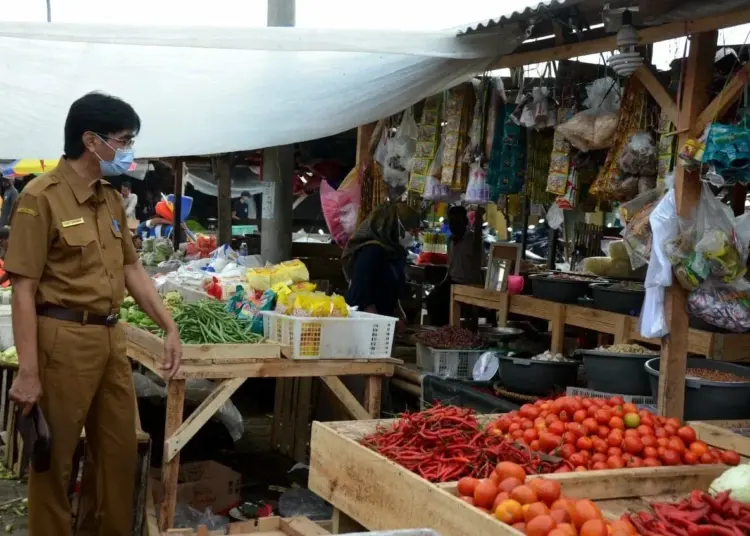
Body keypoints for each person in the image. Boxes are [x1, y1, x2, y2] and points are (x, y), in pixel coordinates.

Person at [5, 91, 182, 536]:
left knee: (119, 456)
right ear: (91, 140)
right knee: (55, 461)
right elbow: (23, 289)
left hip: (109, 339)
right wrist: (28, 370)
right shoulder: (39, 198)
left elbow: (132, 268)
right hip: (62, 340)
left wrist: (169, 325)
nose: (129, 152)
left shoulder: (109, 199)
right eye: (123, 141)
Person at [342, 202, 420, 316]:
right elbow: (362, 295)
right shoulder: (372, 251)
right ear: (396, 226)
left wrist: (399, 313)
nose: (414, 236)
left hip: (384, 320)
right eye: (412, 231)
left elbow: (392, 291)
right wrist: (378, 322)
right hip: (365, 321)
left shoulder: (396, 254)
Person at [426, 205, 484, 326]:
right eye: (451, 221)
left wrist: (479, 221)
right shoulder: (451, 240)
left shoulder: (473, 239)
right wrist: (442, 282)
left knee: (441, 302)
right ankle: (440, 330)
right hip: (452, 281)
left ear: (465, 222)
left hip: (468, 284)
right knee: (431, 299)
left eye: (457, 221)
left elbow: (481, 263)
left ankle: (446, 330)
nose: (453, 225)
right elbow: (450, 266)